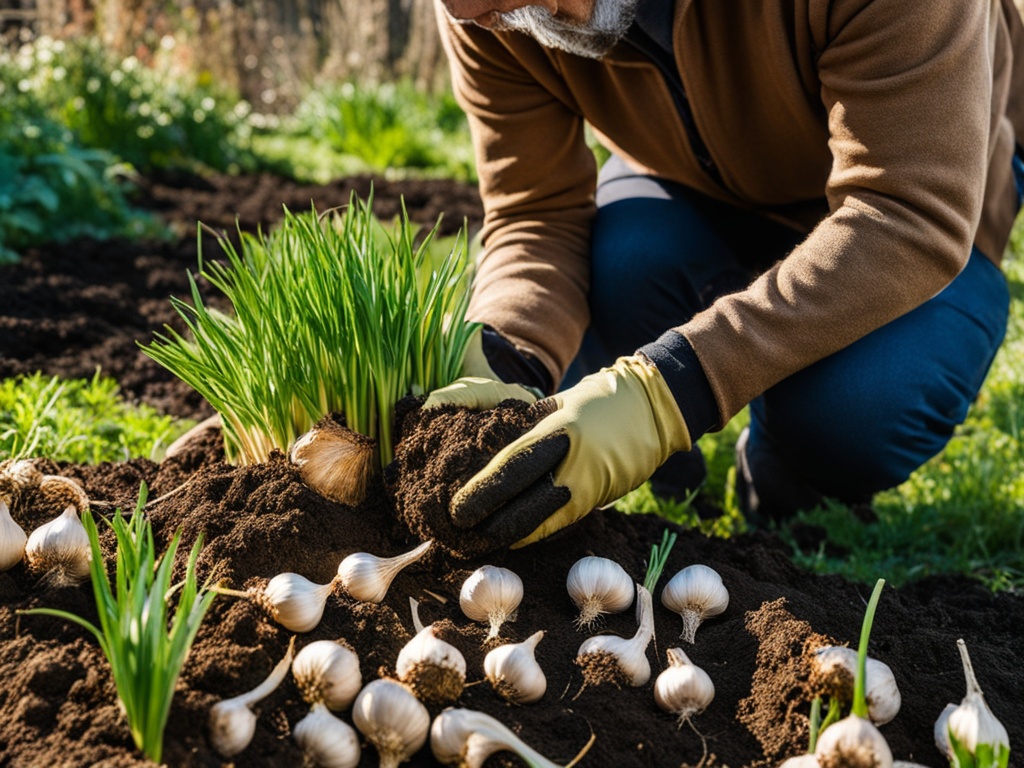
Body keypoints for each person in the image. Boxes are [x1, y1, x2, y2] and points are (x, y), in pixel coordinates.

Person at [423, 0, 1024, 547]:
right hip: (694, 185)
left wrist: (669, 393)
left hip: (907, 209)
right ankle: (665, 476)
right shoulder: (487, 12)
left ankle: (785, 473)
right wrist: (507, 350)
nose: (466, 11)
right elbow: (537, 210)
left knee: (855, 407)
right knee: (622, 270)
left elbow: (908, 213)